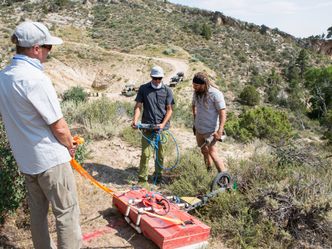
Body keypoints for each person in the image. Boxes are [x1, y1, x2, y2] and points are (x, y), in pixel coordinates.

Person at [0, 21, 81, 249]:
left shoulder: (4, 76)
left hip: (27, 161)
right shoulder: (35, 78)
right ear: (36, 48)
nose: (48, 53)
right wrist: (69, 145)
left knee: (37, 215)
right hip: (51, 160)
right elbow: (59, 127)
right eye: (48, 47)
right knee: (66, 213)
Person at [131, 65, 175, 186]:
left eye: (159, 78)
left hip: (162, 128)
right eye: (155, 78)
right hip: (147, 127)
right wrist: (135, 120)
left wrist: (162, 124)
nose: (157, 81)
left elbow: (169, 110)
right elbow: (138, 106)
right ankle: (142, 180)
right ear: (151, 76)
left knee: (160, 154)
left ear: (162, 78)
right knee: (146, 154)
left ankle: (158, 176)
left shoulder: (167, 91)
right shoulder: (144, 89)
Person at [192, 72, 227, 173]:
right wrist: (195, 120)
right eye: (193, 85)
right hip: (199, 129)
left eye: (196, 86)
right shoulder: (196, 93)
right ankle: (209, 172)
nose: (194, 88)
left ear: (204, 84)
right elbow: (193, 105)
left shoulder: (216, 94)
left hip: (211, 130)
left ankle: (225, 180)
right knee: (204, 151)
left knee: (213, 153)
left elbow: (223, 113)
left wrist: (220, 130)